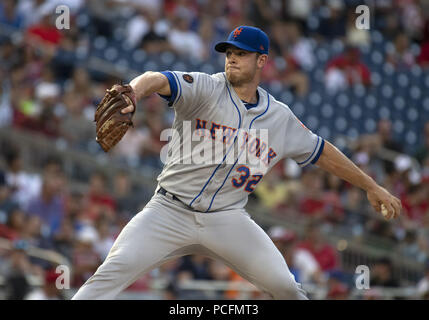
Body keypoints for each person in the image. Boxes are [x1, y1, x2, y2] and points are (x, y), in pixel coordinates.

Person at [72, 26, 402, 300]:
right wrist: (133, 91)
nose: (232, 58)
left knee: (286, 287)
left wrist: (370, 186)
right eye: (229, 52)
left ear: (262, 61)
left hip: (227, 219)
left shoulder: (279, 118)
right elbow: (157, 78)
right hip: (168, 211)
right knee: (105, 279)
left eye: (241, 53)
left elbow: (323, 152)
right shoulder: (205, 87)